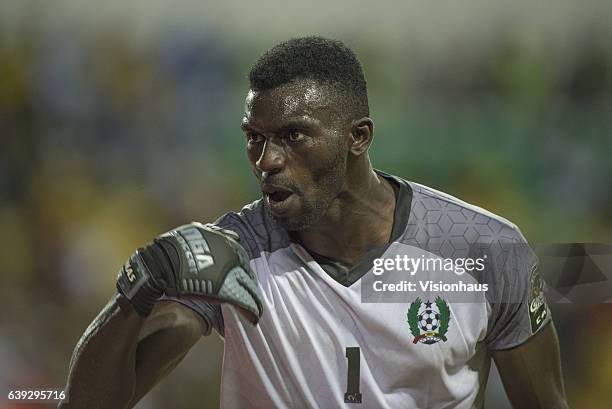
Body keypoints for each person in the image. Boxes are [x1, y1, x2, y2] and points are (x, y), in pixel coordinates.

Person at [59, 36, 568, 409]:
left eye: (292, 136)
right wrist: (137, 291)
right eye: (254, 138)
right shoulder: (232, 255)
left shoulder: (485, 251)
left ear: (359, 137)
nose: (266, 160)